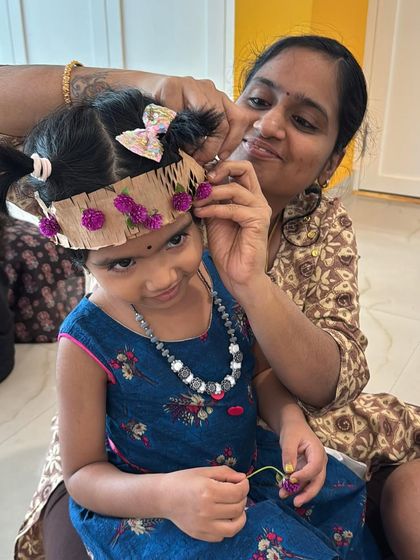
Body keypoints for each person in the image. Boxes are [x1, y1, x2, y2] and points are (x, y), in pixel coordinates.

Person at [4, 35, 420, 559]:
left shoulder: (246, 263)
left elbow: (273, 376)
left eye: (306, 121)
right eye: (259, 101)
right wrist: (146, 88)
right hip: (158, 504)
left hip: (251, 471)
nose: (160, 279)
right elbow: (84, 471)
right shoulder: (90, 335)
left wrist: (289, 418)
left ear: (333, 161)